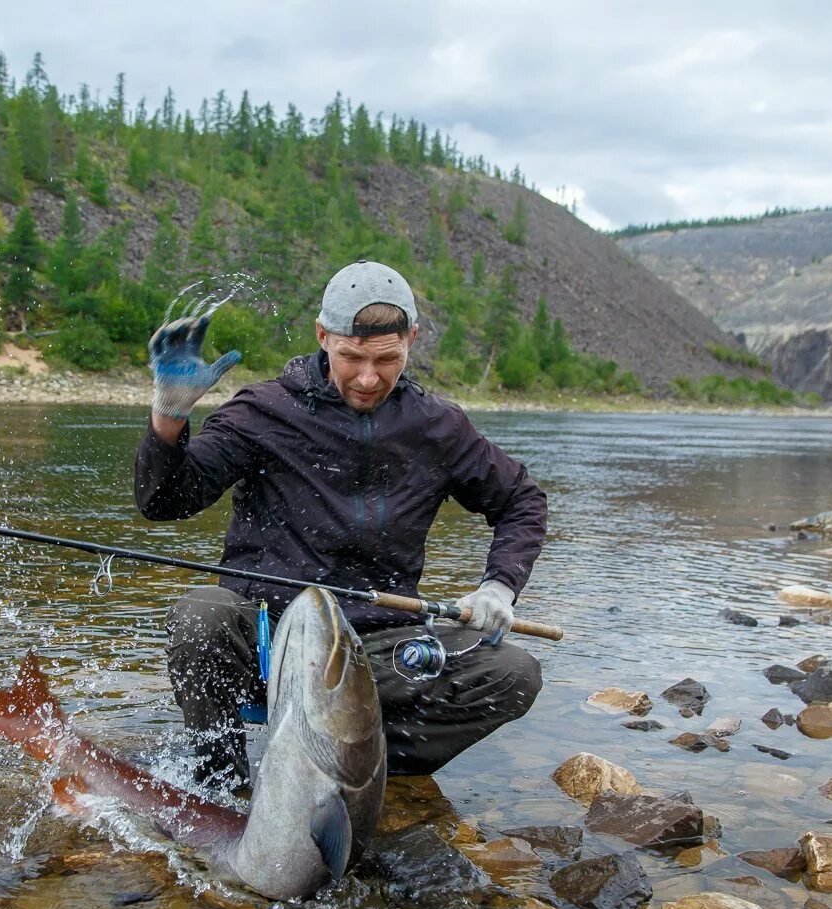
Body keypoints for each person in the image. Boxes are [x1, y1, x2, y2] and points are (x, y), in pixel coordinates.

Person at [135, 260, 547, 786]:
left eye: (387, 359)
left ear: (412, 341)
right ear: (323, 337)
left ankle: (355, 773)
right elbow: (164, 501)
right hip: (268, 639)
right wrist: (169, 415)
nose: (368, 377)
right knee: (201, 614)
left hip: (376, 648)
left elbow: (521, 501)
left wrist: (498, 586)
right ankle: (219, 787)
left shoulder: (437, 427)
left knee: (511, 673)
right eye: (352, 357)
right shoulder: (265, 410)